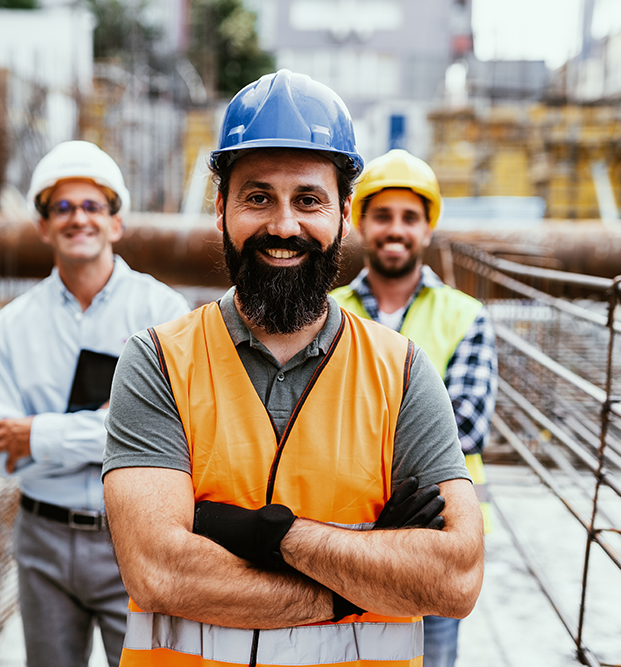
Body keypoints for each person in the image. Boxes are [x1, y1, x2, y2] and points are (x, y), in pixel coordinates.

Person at [101, 69, 484, 667]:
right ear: (221, 207)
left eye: (308, 200)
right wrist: (360, 580)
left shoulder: (403, 372)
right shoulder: (158, 362)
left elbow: (455, 580)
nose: (283, 226)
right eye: (258, 198)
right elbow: (159, 572)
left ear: (344, 214)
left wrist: (277, 536)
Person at [0, 140, 191, 667]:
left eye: (92, 205)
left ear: (116, 222)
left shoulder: (163, 313)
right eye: (63, 207)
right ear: (43, 225)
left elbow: (173, 437)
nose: (78, 218)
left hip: (135, 535)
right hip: (42, 541)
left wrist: (39, 435)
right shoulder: (12, 325)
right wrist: (110, 430)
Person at [330, 149, 498, 667]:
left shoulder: (464, 316)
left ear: (427, 229)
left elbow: (466, 426)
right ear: (360, 224)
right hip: (344, 531)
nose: (395, 229)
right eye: (382, 216)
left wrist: (357, 431)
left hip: (439, 534)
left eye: (409, 217)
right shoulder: (327, 312)